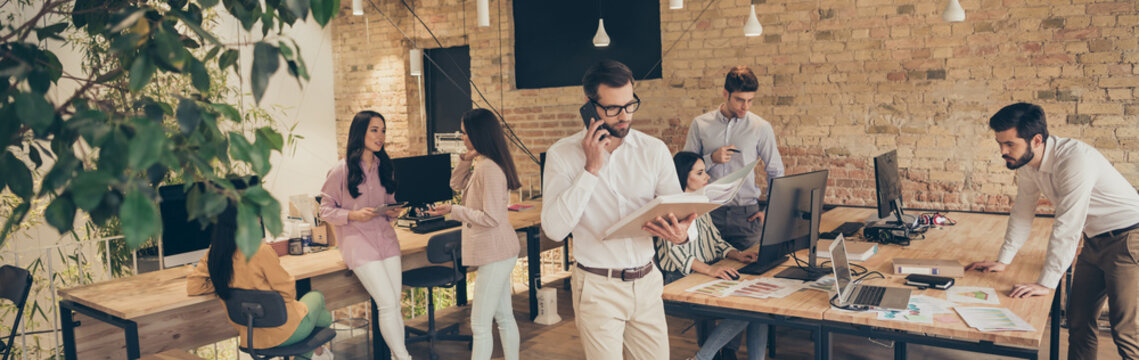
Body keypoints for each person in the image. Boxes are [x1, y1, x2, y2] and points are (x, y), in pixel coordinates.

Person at [542, 59, 695, 359]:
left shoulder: (653, 150)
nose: (624, 116)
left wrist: (682, 233)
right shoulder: (562, 155)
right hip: (598, 287)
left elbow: (681, 210)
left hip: (648, 282)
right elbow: (555, 229)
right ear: (589, 105)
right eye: (613, 109)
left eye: (630, 105)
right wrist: (591, 169)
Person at [964, 103, 1139, 359]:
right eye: (999, 143)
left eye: (1009, 144)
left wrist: (1046, 283)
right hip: (1094, 240)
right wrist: (1004, 259)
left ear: (1036, 140)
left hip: (1129, 238)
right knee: (1078, 321)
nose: (1002, 151)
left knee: (1125, 330)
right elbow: (1023, 210)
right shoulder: (1026, 163)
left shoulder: (1074, 160)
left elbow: (1068, 223)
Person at [425, 108, 522, 360]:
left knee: (479, 324)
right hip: (498, 251)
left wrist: (454, 210)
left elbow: (491, 218)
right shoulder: (482, 163)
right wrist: (465, 158)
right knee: (503, 316)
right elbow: (455, 184)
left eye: (466, 133)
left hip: (495, 253)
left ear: (480, 134)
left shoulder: (488, 168)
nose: (462, 137)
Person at [319, 110, 412, 360]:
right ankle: (404, 357)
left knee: (394, 304)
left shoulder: (385, 167)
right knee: (386, 303)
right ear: (360, 132)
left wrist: (394, 211)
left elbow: (390, 202)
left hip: (386, 240)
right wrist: (353, 215)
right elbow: (325, 209)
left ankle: (397, 357)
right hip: (358, 243)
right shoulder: (341, 169)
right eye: (374, 130)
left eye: (383, 130)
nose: (380, 135)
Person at [657, 151, 767, 360]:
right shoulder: (669, 209)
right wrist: (711, 269)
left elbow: (715, 240)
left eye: (705, 172)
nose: (707, 177)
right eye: (700, 173)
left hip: (702, 273)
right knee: (750, 308)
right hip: (677, 279)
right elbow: (677, 255)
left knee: (759, 305)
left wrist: (737, 254)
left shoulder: (701, 204)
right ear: (683, 176)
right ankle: (702, 358)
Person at [187, 205, 333, 359]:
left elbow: (194, 286)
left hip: (251, 336)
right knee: (317, 298)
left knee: (324, 317)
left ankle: (317, 353)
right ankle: (314, 353)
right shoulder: (259, 250)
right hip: (284, 331)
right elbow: (288, 290)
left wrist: (223, 281)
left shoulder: (214, 253)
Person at [684, 66, 784, 252]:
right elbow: (684, 168)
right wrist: (711, 159)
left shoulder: (760, 127)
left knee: (750, 271)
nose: (745, 106)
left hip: (746, 217)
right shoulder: (700, 124)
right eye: (739, 100)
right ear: (725, 94)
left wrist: (770, 211)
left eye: (750, 101)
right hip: (707, 214)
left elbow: (775, 171)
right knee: (706, 274)